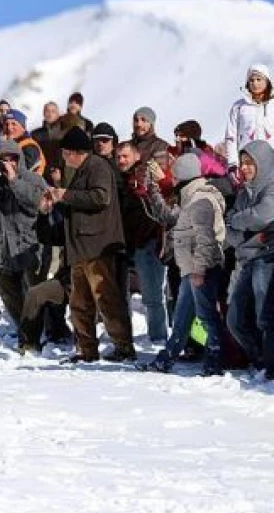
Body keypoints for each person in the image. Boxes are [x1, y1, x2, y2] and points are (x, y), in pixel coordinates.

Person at [47, 128, 135, 362]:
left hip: (98, 245)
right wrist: (57, 200)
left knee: (107, 299)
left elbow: (100, 197)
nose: (64, 158)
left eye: (66, 153)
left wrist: (66, 195)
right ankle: (86, 349)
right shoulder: (82, 170)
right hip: (80, 246)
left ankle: (124, 347)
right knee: (80, 303)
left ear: (76, 152)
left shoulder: (98, 167)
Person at [140, 153, 228, 376]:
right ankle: (166, 359)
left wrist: (199, 270)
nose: (173, 179)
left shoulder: (200, 200)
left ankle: (214, 363)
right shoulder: (191, 196)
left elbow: (206, 238)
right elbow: (169, 217)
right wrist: (153, 190)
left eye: (175, 174)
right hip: (192, 268)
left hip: (202, 268)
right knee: (181, 318)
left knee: (207, 316)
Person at [224, 141, 274, 374]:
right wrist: (245, 229)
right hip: (247, 258)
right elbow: (231, 232)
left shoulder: (271, 186)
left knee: (266, 316)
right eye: (242, 163)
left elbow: (262, 217)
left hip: (267, 258)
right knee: (235, 320)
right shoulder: (243, 193)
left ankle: (271, 367)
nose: (244, 168)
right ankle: (260, 361)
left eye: (249, 163)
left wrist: (238, 222)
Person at [0, 141, 46, 341]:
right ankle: (25, 330)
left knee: (34, 293)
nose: (7, 164)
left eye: (10, 159)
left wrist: (14, 181)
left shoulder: (34, 180)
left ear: (18, 159)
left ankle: (42, 333)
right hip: (3, 247)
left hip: (28, 245)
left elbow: (37, 205)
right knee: (8, 292)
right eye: (2, 160)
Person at [115, 142, 170, 343]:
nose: (121, 160)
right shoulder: (122, 178)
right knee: (131, 295)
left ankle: (158, 338)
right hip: (130, 243)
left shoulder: (142, 174)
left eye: (125, 156)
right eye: (118, 157)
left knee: (152, 295)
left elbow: (154, 206)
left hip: (148, 242)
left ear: (136, 156)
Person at [224, 64, 274, 173]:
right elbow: (231, 137)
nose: (255, 83)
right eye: (251, 80)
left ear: (267, 81)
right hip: (247, 163)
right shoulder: (239, 107)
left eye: (259, 79)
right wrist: (233, 164)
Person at [0, 109, 45, 175]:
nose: (9, 127)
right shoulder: (8, 144)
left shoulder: (29, 146)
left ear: (23, 127)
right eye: (6, 124)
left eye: (14, 124)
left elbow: (23, 171)